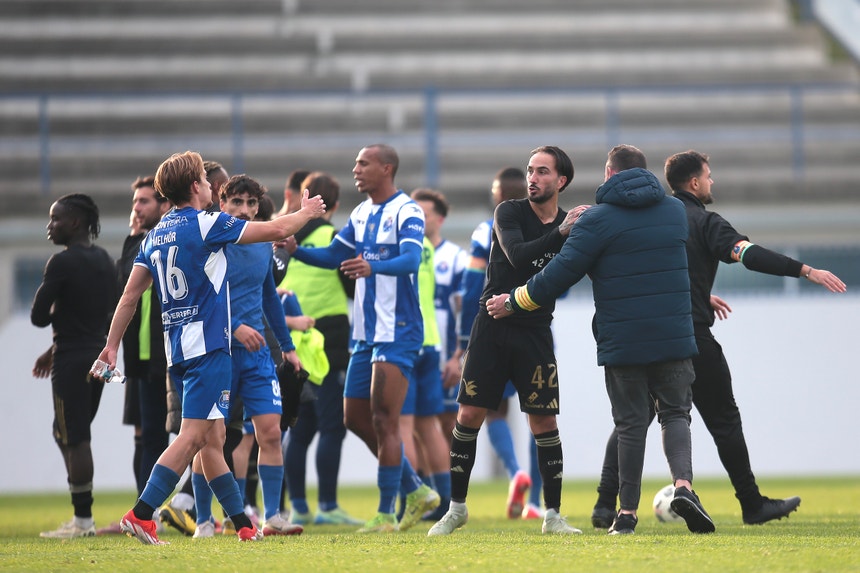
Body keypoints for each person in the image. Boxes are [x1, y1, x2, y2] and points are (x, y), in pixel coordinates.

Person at [590, 149, 847, 529]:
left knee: (632, 421)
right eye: (709, 176)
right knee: (723, 419)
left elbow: (645, 268)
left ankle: (604, 506)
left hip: (647, 336)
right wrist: (806, 270)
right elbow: (750, 255)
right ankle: (751, 504)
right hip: (689, 337)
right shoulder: (702, 220)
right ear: (694, 182)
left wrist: (696, 291)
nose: (712, 182)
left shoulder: (655, 215)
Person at [92, 150, 325, 545]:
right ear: (197, 186)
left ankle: (245, 526)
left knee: (212, 439)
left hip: (177, 350)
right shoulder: (206, 224)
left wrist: (110, 347)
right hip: (210, 348)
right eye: (204, 177)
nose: (210, 183)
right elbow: (270, 232)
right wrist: (305, 213)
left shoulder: (155, 235)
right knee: (194, 437)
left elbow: (129, 298)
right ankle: (142, 513)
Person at [492, 144, 714, 536]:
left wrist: (514, 300)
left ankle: (626, 514)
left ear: (609, 175)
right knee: (676, 414)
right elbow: (661, 264)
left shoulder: (597, 221)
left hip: (624, 336)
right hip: (674, 332)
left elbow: (559, 275)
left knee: (630, 425)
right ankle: (684, 486)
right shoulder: (675, 212)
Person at [284, 143, 440, 533]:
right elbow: (336, 255)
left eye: (364, 162)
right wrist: (296, 250)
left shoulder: (407, 211)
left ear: (386, 168)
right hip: (366, 334)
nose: (356, 168)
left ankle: (387, 512)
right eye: (355, 162)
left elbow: (408, 259)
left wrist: (374, 266)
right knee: (353, 417)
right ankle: (416, 490)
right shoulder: (360, 212)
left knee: (385, 419)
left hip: (398, 330)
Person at [428, 146, 582, 537]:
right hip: (491, 328)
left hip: (534, 332)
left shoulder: (571, 224)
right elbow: (516, 257)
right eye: (531, 170)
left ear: (561, 181)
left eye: (543, 171)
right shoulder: (508, 213)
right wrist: (559, 235)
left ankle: (553, 515)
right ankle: (457, 508)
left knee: (543, 420)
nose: (533, 177)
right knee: (468, 416)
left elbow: (568, 273)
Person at [189, 174, 305, 538]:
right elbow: (197, 298)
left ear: (258, 207)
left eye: (250, 204)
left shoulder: (261, 244)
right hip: (216, 351)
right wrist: (234, 325)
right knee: (210, 438)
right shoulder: (210, 243)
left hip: (256, 356)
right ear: (220, 204)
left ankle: (272, 517)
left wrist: (287, 346)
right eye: (235, 202)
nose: (243, 210)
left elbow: (269, 296)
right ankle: (204, 521)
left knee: (270, 431)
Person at [454, 167, 545, 520]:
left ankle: (513, 471)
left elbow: (471, 284)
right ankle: (535, 502)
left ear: (498, 194)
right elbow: (562, 285)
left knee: (490, 410)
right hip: (536, 328)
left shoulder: (485, 229)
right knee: (542, 415)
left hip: (493, 328)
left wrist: (464, 341)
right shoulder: (545, 228)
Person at [277, 171, 362, 526]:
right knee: (332, 425)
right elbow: (352, 288)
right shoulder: (335, 237)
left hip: (293, 339)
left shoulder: (283, 234)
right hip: (328, 338)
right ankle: (327, 504)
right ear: (337, 205)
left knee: (300, 429)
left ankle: (297, 504)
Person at [31, 193, 118, 538]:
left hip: (72, 360)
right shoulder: (105, 261)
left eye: (55, 219)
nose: (50, 226)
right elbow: (107, 312)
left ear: (75, 223)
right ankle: (81, 514)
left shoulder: (60, 262)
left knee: (76, 437)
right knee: (67, 432)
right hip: (100, 358)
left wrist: (59, 323)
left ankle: (83, 521)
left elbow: (38, 316)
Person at [409, 188, 466, 522]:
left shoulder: (455, 258)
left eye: (425, 213)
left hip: (442, 353)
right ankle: (437, 496)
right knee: (421, 425)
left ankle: (448, 497)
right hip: (427, 349)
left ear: (440, 218)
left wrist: (458, 355)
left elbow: (464, 308)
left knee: (443, 425)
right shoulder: (415, 249)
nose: (420, 218)